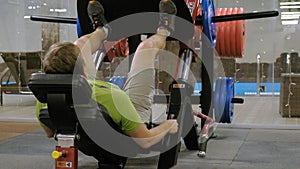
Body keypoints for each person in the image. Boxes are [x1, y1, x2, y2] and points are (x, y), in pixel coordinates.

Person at [36, 0, 179, 149]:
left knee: (79, 45)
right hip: (125, 125)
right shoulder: (115, 97)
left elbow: (49, 132)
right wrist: (168, 125)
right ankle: (165, 29)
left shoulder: (44, 97)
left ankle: (102, 30)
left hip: (86, 109)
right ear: (84, 68)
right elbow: (145, 141)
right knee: (146, 47)